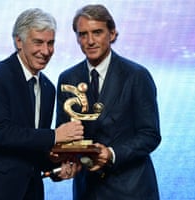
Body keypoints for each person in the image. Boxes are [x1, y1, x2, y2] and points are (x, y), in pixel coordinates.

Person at [0, 8, 84, 200]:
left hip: (30, 192)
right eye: (38, 42)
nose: (46, 51)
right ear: (19, 41)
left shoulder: (48, 88)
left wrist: (55, 166)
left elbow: (32, 144)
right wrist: (55, 135)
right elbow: (0, 133)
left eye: (50, 43)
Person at [56, 4, 161, 200]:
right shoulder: (68, 78)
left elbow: (150, 134)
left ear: (112, 34)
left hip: (131, 190)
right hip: (87, 191)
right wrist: (67, 161)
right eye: (83, 34)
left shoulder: (136, 76)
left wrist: (112, 154)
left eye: (97, 32)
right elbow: (64, 137)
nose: (90, 41)